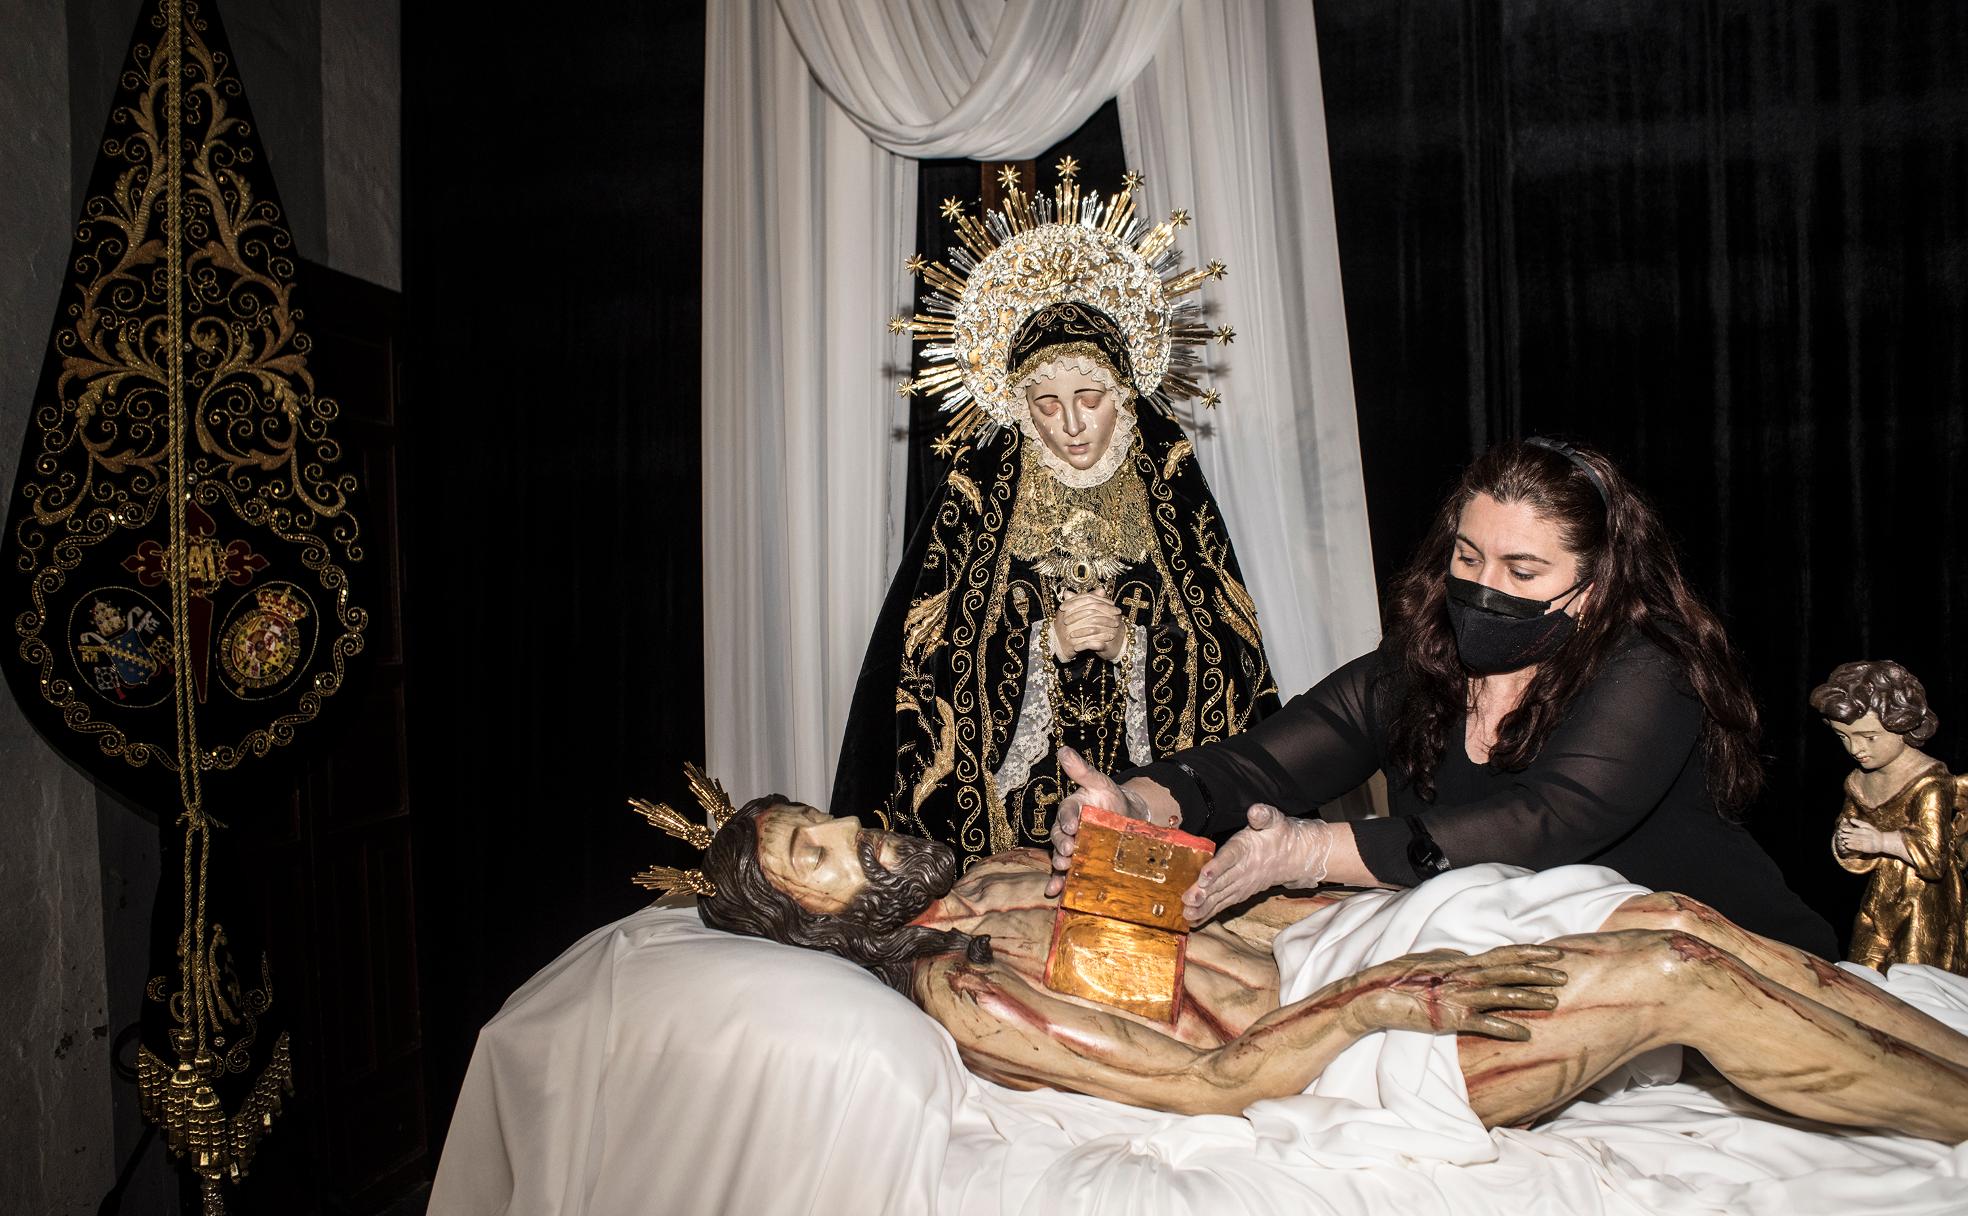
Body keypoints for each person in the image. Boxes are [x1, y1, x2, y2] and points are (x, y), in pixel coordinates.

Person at [695, 797, 1968, 1140]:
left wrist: (1321, 876)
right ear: (810, 924)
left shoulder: (990, 874)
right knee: (1678, 972)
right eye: (815, 852)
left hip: (1344, 954)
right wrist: (1387, 997)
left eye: (821, 815)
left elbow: (1218, 929)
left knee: (1681, 913)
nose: (850, 828)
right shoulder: (963, 986)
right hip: (1340, 1059)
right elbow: (1208, 1084)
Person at [1046, 439, 1836, 956]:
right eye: (1468, 557)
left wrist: (1311, 853)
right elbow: (1258, 766)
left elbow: (1542, 825)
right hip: (1543, 973)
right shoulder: (1421, 665)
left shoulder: (1650, 671)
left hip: (1734, 965)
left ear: (1595, 588)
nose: (1485, 588)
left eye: (1522, 572)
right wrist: (1135, 805)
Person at [833, 168, 1276, 868]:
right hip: (1008, 841)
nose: (1071, 424)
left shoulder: (1169, 488)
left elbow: (1229, 662)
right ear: (1020, 405)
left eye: (1090, 398)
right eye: (1047, 404)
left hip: (1151, 826)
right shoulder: (978, 498)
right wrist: (1046, 646)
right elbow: (925, 674)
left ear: (1123, 395)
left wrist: (1136, 649)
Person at [1812, 660, 1964, 972]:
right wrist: (1846, 842)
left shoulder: (1929, 782)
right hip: (1882, 894)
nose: (1855, 749)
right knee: (1865, 967)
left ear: (1902, 726)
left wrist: (1880, 841)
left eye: (1869, 737)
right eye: (1843, 737)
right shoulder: (1858, 781)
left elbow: (1934, 857)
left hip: (1924, 900)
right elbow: (1850, 831)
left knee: (1916, 973)